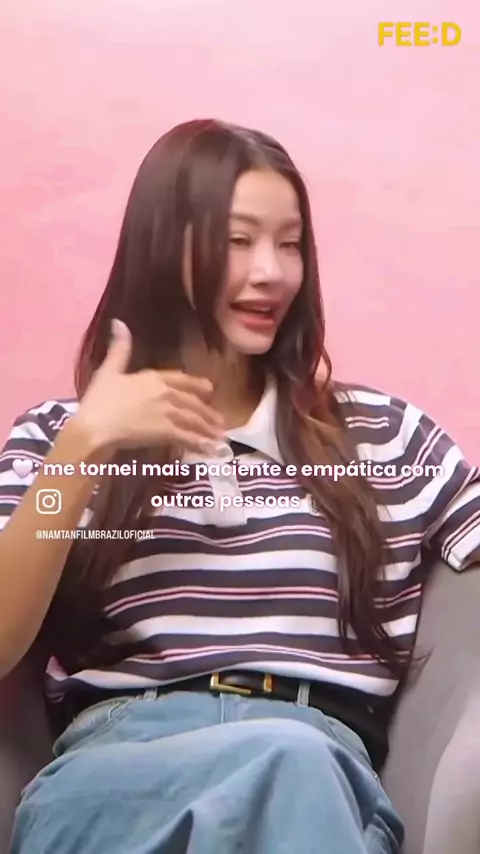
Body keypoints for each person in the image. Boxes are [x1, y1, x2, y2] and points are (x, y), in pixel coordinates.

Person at [0, 118, 479, 854]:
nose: (272, 272)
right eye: (239, 240)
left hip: (314, 765)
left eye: (290, 244)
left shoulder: (382, 437)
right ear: (164, 247)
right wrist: (85, 447)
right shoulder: (63, 435)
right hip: (119, 769)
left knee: (291, 763)